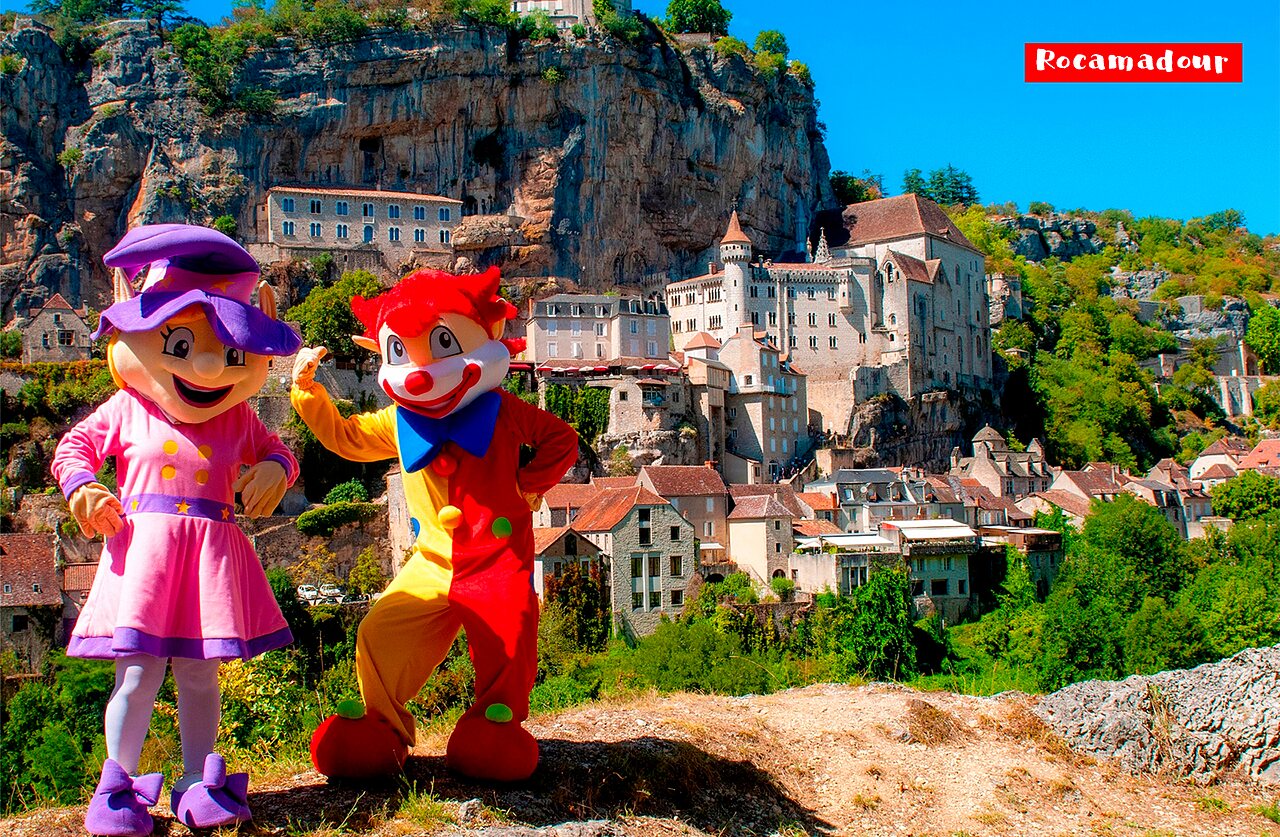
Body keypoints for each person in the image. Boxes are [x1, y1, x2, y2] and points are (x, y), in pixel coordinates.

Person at [52, 224, 301, 836]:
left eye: (231, 351)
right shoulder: (129, 407)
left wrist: (276, 467)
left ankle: (195, 779)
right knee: (137, 672)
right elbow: (74, 446)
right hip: (145, 556)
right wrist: (82, 487)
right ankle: (119, 783)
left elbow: (280, 449)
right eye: (183, 343)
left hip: (209, 555)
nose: (211, 365)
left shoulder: (237, 416)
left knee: (198, 673)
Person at [293, 266, 579, 782]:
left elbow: (562, 440)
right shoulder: (401, 422)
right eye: (401, 352)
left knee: (510, 639)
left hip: (498, 561)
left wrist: (528, 485)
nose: (421, 372)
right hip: (432, 561)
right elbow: (348, 437)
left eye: (443, 342)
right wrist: (308, 393)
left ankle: (493, 725)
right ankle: (383, 727)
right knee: (378, 633)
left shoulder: (505, 412)